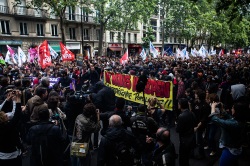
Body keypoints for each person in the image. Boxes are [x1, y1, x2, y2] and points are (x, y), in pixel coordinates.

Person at [210, 100, 248, 166]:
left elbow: (215, 119)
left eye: (233, 108)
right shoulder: (240, 120)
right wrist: (222, 109)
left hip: (230, 151)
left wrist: (213, 107)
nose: (231, 109)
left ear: (237, 111)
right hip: (235, 148)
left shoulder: (234, 124)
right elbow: (229, 117)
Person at [0, 90, 22, 166]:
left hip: (2, 155)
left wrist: (7, 100)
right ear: (4, 118)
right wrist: (17, 99)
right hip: (13, 155)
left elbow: (1, 110)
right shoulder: (9, 127)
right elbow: (16, 115)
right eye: (5, 115)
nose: (6, 115)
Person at [176, 98, 196, 166]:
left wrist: (177, 124)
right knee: (187, 156)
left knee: (182, 157)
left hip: (184, 139)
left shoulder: (181, 116)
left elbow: (178, 130)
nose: (177, 105)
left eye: (178, 104)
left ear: (181, 105)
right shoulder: (192, 113)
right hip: (191, 137)